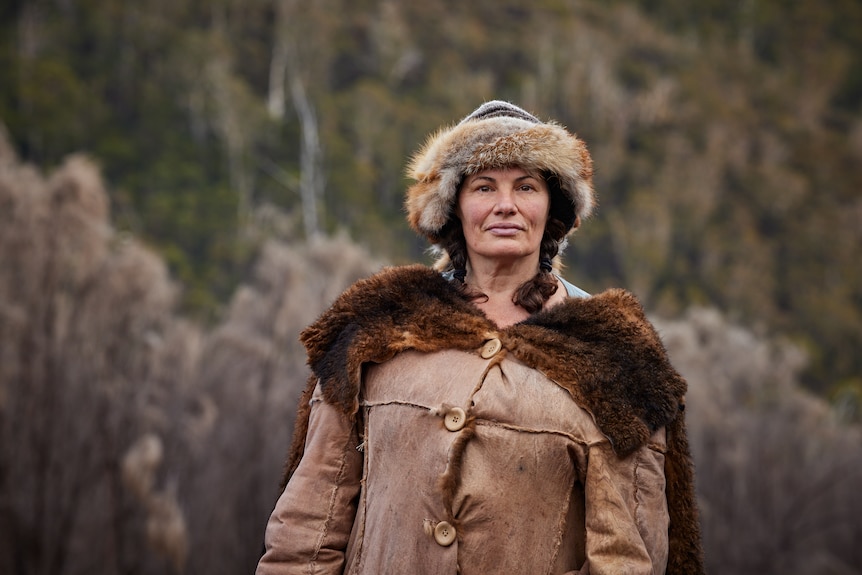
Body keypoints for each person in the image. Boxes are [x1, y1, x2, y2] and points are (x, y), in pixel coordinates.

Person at [256, 101, 704, 575]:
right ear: (454, 208)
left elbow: (627, 558)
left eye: (526, 187)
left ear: (552, 210)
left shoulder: (613, 355)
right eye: (484, 187)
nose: (505, 205)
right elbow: (309, 527)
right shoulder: (380, 326)